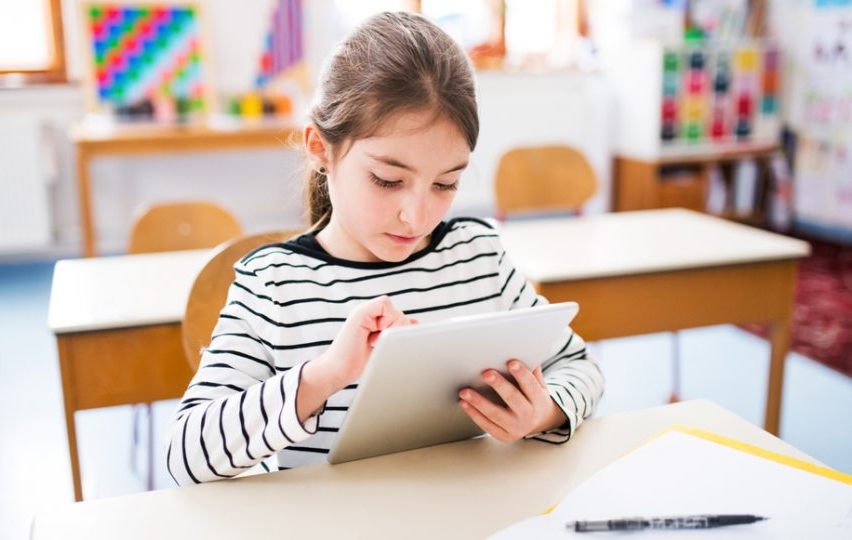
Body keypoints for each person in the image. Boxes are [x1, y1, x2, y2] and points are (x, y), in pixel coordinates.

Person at [167, 11, 604, 485]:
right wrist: (322, 377)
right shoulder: (273, 285)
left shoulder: (477, 256)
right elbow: (187, 456)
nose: (417, 217)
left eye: (446, 183)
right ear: (320, 147)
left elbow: (579, 366)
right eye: (387, 180)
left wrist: (544, 412)